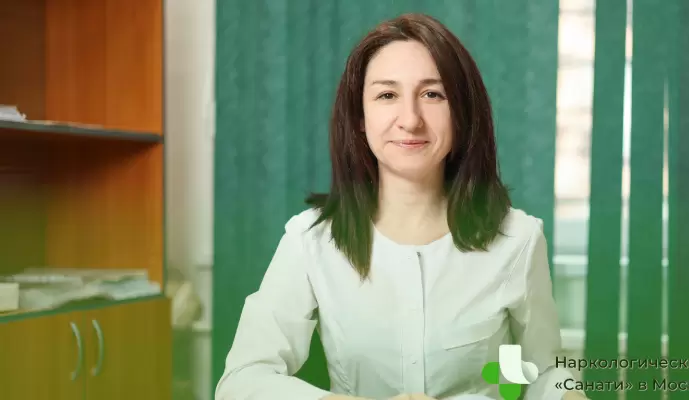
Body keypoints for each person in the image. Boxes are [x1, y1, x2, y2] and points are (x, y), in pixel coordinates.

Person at [216, 13, 588, 400]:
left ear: (461, 113)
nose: (410, 120)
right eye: (387, 95)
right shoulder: (310, 240)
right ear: (360, 117)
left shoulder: (517, 239)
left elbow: (541, 373)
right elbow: (242, 380)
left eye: (433, 94)